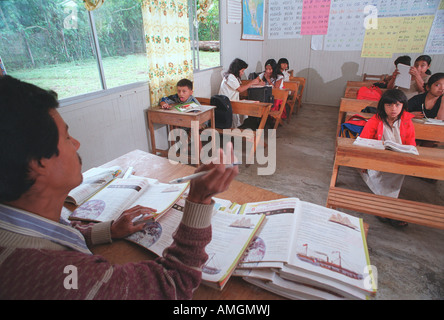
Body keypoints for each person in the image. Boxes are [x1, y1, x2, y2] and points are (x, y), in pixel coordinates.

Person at [0, 75, 239, 299]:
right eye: (65, 137)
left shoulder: (23, 222)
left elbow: (56, 233)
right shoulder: (53, 273)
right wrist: (198, 199)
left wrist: (108, 231)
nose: (76, 143)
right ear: (38, 162)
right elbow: (171, 284)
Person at [359, 89, 416, 228]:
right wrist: (363, 163)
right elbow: (363, 142)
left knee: (392, 181)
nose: (393, 109)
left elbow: (411, 144)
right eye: (389, 105)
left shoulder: (407, 121)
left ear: (403, 106)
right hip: (377, 159)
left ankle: (383, 209)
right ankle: (389, 211)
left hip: (398, 160)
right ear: (382, 106)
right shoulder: (375, 120)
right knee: (380, 180)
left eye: (397, 105)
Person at [218, 58, 262, 128]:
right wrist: (251, 83)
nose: (243, 73)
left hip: (231, 101)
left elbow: (241, 86)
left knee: (251, 103)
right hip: (227, 103)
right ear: (237, 70)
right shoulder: (230, 77)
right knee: (249, 105)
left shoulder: (235, 77)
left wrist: (256, 84)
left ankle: (242, 128)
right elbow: (240, 89)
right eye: (242, 71)